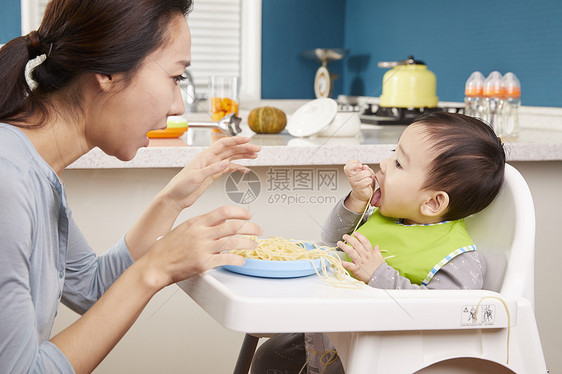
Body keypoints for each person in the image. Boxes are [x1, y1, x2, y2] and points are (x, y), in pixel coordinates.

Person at [0, 0, 262, 373]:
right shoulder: (7, 180)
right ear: (107, 71)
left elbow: (91, 287)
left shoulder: (35, 170)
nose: (178, 107)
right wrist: (155, 268)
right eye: (176, 78)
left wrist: (172, 200)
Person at [250, 112, 506, 374]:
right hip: (333, 334)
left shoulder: (458, 258)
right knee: (269, 356)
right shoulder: (389, 218)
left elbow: (443, 317)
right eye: (394, 153)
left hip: (388, 357)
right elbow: (330, 241)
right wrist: (356, 201)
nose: (383, 164)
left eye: (398, 164)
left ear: (432, 203)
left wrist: (379, 276)